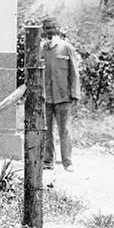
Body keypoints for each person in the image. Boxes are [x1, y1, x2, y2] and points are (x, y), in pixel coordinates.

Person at [41, 16, 80, 172]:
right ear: (43, 30)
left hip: (63, 97)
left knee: (65, 130)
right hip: (45, 97)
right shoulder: (40, 49)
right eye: (47, 28)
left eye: (52, 27)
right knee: (46, 130)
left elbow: (74, 73)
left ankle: (67, 162)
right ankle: (47, 161)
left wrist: (75, 93)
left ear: (57, 29)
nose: (50, 31)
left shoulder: (66, 48)